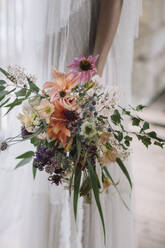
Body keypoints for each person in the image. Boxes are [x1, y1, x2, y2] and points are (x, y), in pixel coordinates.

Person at [0, 0, 142, 247]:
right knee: (50, 163)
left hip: (85, 49)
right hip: (54, 45)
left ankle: (93, 240)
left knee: (92, 164)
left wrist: (95, 69)